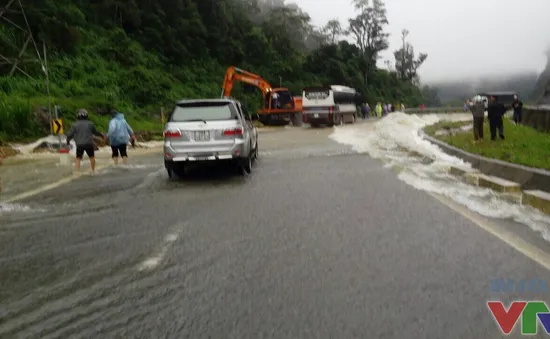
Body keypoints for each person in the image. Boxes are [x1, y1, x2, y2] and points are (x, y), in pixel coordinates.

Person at [66, 109, 104, 174]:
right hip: (89, 143)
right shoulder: (90, 124)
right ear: (86, 116)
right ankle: (93, 171)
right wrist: (101, 135)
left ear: (77, 116)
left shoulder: (74, 125)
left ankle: (77, 172)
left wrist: (68, 141)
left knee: (78, 158)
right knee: (91, 157)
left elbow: (70, 135)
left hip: (79, 144)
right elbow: (95, 132)